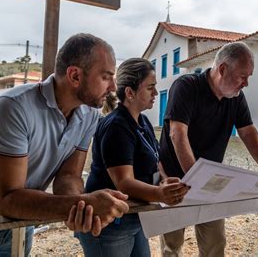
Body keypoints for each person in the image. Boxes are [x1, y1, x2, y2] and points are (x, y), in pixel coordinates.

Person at [0, 33, 129, 256]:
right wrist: (82, 204)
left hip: (22, 218)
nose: (114, 86)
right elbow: (8, 198)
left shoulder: (89, 114)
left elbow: (69, 176)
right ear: (75, 75)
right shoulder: (12, 107)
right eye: (106, 77)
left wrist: (82, 206)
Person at [158, 42, 258, 257]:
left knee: (215, 244)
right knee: (172, 245)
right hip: (175, 180)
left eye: (249, 77)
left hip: (211, 183)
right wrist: (195, 178)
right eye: (242, 76)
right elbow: (177, 134)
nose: (245, 84)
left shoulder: (235, 97)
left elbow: (248, 133)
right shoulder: (187, 86)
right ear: (223, 69)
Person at [76, 58, 190, 257]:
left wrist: (163, 180)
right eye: (150, 88)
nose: (155, 93)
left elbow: (155, 159)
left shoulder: (142, 121)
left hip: (133, 216)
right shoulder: (117, 126)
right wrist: (160, 194)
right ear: (130, 93)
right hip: (109, 224)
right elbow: (124, 183)